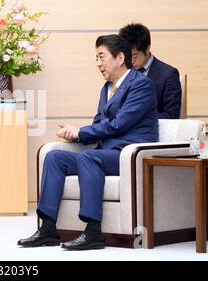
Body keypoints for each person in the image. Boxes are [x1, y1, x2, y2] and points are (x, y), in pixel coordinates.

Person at [18, 35, 158, 251]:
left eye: (101, 57)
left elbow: (119, 125)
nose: (98, 63)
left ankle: (93, 232)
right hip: (104, 155)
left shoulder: (141, 85)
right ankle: (47, 229)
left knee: (88, 157)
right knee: (55, 157)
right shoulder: (107, 88)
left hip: (127, 155)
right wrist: (74, 134)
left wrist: (80, 133)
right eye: (96, 58)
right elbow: (99, 124)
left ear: (120, 57)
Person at [119, 23, 182, 119]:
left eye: (135, 55)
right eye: (127, 55)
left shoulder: (168, 74)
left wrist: (137, 120)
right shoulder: (122, 72)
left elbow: (171, 115)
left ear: (147, 49)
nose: (130, 60)